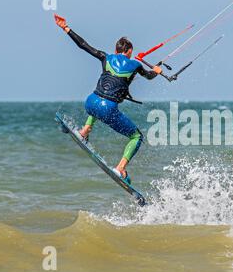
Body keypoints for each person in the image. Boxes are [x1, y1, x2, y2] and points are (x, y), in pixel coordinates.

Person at [54, 14, 162, 181]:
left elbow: (83, 45)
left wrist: (65, 28)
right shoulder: (136, 64)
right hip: (107, 108)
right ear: (129, 51)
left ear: (116, 49)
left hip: (90, 102)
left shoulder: (105, 57)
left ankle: (84, 130)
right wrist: (156, 71)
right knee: (137, 137)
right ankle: (120, 169)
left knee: (100, 99)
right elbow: (149, 76)